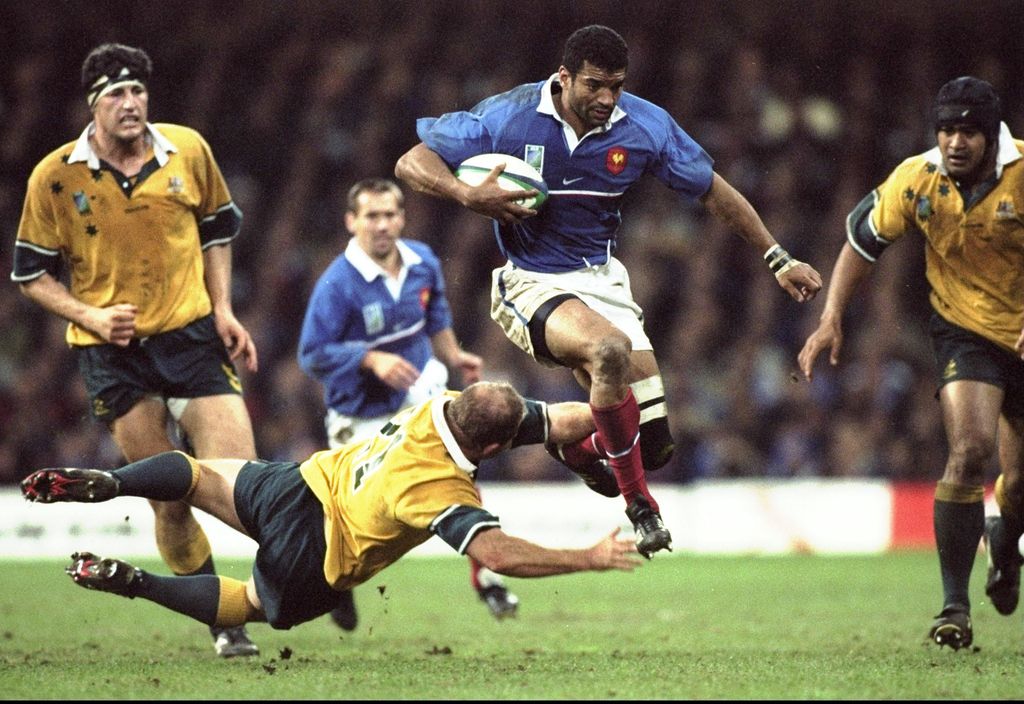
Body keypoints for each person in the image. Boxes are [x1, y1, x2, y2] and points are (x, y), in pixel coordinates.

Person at [394, 25, 822, 557]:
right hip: (530, 279)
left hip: (603, 281)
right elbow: (411, 161)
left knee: (655, 444)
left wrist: (777, 257)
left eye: (616, 86)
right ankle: (642, 508)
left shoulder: (644, 126)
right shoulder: (509, 116)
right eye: (594, 85)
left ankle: (570, 444)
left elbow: (713, 192)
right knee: (609, 350)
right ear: (565, 77)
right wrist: (463, 192)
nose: (606, 98)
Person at [20, 381, 642, 634]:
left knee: (197, 476)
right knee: (250, 604)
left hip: (300, 483)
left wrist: (615, 415)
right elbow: (497, 554)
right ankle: (135, 582)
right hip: (317, 554)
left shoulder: (441, 404)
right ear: (496, 448)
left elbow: (550, 419)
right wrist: (588, 557)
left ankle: (112, 480)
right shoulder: (439, 488)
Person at [9, 43, 260, 657]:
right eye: (116, 93)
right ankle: (224, 623)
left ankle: (312, 578)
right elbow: (30, 274)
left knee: (244, 486)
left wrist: (223, 308)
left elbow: (217, 232)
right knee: (169, 500)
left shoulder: (188, 150)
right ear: (93, 103)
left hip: (191, 338)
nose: (131, 103)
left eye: (138, 91)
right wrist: (90, 315)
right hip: (113, 355)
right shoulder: (55, 176)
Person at [798, 76, 1024, 651]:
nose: (955, 142)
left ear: (991, 134)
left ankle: (1006, 536)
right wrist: (831, 317)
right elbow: (861, 243)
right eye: (946, 130)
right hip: (965, 333)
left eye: (967, 131)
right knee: (969, 450)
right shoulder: (916, 178)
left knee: (1019, 485)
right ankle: (954, 608)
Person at [297, 177, 517, 628]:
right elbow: (311, 354)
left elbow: (436, 316)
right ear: (352, 222)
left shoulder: (423, 262)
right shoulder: (337, 284)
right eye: (371, 216)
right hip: (360, 412)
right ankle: (335, 582)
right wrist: (370, 359)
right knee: (353, 517)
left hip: (420, 395)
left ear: (402, 218)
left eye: (389, 214)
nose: (381, 225)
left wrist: (454, 354)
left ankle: (487, 575)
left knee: (460, 474)